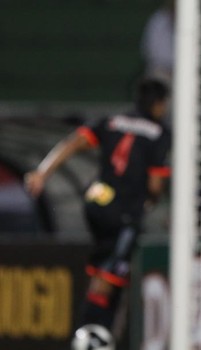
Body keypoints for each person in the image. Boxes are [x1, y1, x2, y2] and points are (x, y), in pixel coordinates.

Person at [24, 78, 171, 344]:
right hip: (125, 212)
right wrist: (153, 199)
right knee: (108, 277)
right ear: (160, 105)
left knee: (111, 273)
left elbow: (73, 142)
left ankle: (102, 336)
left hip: (97, 204)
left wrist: (42, 173)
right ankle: (87, 339)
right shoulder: (159, 133)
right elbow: (154, 184)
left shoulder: (111, 121)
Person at [140, 0, 175, 85]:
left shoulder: (189, 22)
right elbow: (150, 51)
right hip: (161, 70)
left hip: (183, 71)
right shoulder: (158, 21)